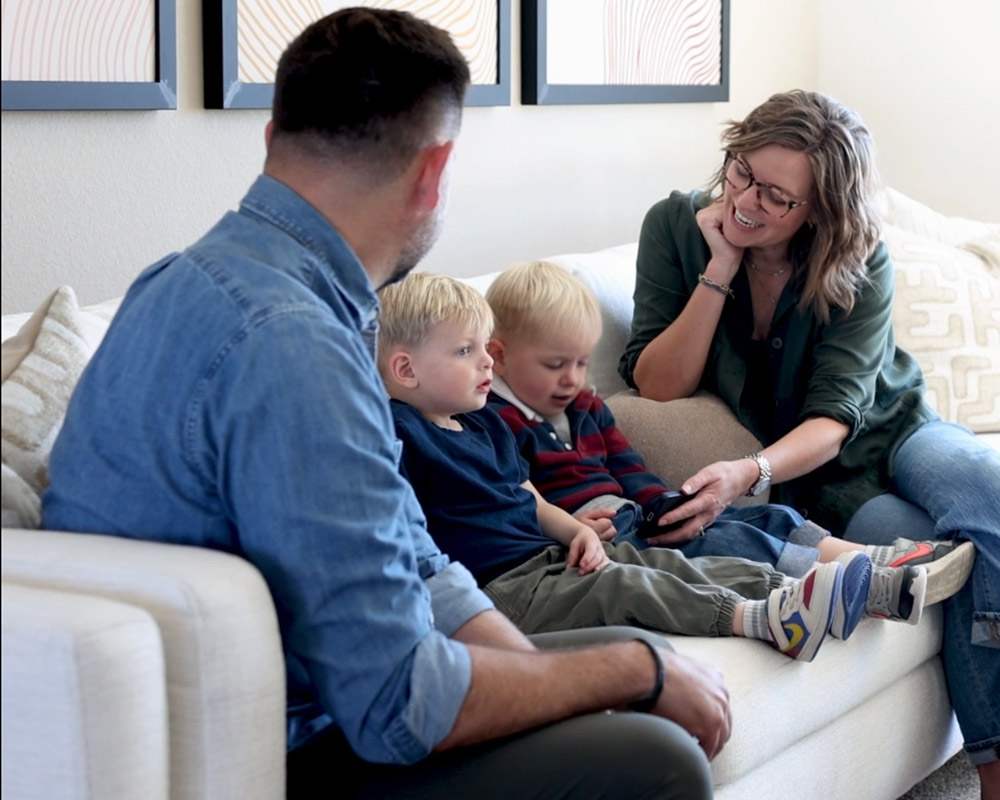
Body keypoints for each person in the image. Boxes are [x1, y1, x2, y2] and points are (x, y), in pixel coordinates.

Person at [40, 10, 729, 800]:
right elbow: (399, 705)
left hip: (315, 690)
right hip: (292, 745)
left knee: (621, 657)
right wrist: (631, 671)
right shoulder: (292, 345)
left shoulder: (188, 281)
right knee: (655, 751)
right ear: (435, 173)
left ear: (271, 139)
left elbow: (409, 549)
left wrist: (534, 667)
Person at [618, 89, 1000, 799]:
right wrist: (719, 267)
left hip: (896, 432)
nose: (747, 200)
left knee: (986, 488)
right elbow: (656, 384)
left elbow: (838, 418)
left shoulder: (858, 257)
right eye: (742, 172)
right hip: (830, 490)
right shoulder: (679, 226)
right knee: (956, 559)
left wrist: (748, 470)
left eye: (778, 197)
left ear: (821, 210)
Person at [376, 270, 874, 663]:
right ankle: (763, 620)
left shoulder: (482, 424)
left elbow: (527, 494)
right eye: (466, 351)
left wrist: (574, 533)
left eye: (485, 347)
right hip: (503, 590)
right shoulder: (396, 432)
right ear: (406, 369)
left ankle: (806, 592)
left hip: (547, 560)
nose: (486, 362)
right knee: (624, 584)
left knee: (659, 563)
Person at [483, 259, 977, 628]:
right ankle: (855, 584)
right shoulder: (494, 421)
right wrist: (567, 530)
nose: (572, 379)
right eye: (555, 365)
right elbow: (512, 502)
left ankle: (874, 560)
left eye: (581, 363)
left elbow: (628, 466)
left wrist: (667, 505)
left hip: (639, 516)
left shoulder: (585, 405)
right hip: (603, 539)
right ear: (498, 356)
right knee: (735, 541)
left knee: (760, 517)